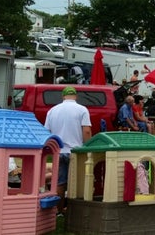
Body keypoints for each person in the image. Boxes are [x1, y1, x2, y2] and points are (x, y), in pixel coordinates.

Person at [44, 86, 92, 216]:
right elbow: (86, 131)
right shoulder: (82, 109)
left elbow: (46, 132)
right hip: (75, 151)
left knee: (60, 182)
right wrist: (88, 149)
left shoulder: (52, 111)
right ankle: (74, 211)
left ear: (63, 96)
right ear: (75, 96)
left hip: (58, 151)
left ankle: (59, 211)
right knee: (76, 182)